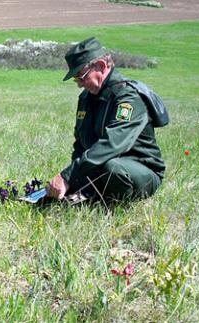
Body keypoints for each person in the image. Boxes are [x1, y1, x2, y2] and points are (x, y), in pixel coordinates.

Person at [46, 37, 165, 203]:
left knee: (113, 168)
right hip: (101, 167)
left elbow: (112, 145)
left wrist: (67, 176)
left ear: (101, 66)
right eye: (76, 79)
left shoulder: (129, 99)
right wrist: (71, 181)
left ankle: (112, 206)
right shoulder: (86, 98)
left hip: (140, 171)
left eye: (81, 76)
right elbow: (80, 145)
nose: (79, 84)